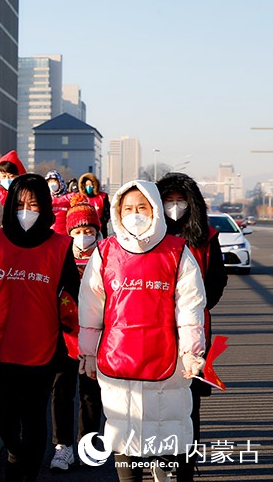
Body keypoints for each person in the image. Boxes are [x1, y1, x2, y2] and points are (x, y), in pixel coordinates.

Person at [78, 180, 206, 482]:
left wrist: (191, 352)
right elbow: (91, 307)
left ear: (155, 210)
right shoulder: (105, 252)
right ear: (118, 213)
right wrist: (88, 353)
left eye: (142, 208)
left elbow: (189, 307)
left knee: (169, 428)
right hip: (117, 359)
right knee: (123, 435)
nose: (135, 214)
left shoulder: (177, 252)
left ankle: (164, 466)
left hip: (168, 360)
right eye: (128, 209)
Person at [0, 173, 80, 482]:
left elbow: (71, 294)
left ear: (45, 206)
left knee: (33, 419)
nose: (26, 211)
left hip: (42, 348)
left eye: (33, 204)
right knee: (5, 420)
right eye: (19, 204)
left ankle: (26, 475)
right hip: (1, 345)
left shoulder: (60, 246)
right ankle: (15, 454)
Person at [156, 172, 227, 468]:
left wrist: (196, 308)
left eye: (180, 200)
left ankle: (187, 459)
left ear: (192, 203)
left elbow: (217, 280)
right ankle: (161, 456)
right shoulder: (149, 238)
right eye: (168, 200)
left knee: (189, 399)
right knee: (156, 395)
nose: (175, 206)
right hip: (154, 327)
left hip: (195, 329)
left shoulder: (207, 237)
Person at [48, 194, 105, 471]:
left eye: (89, 230)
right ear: (69, 232)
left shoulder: (107, 256)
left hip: (96, 337)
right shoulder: (59, 256)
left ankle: (88, 445)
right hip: (65, 335)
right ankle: (63, 447)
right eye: (78, 231)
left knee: (91, 393)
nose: (84, 236)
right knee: (61, 391)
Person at [78, 172, 110, 238]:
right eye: (86, 185)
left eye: (90, 185)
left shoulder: (103, 197)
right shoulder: (80, 198)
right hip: (85, 229)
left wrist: (101, 223)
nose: (88, 187)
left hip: (101, 229)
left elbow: (107, 213)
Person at [45, 170, 72, 235]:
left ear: (59, 181)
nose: (52, 184)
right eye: (49, 182)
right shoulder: (45, 198)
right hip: (50, 234)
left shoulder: (70, 197)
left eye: (54, 181)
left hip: (66, 234)